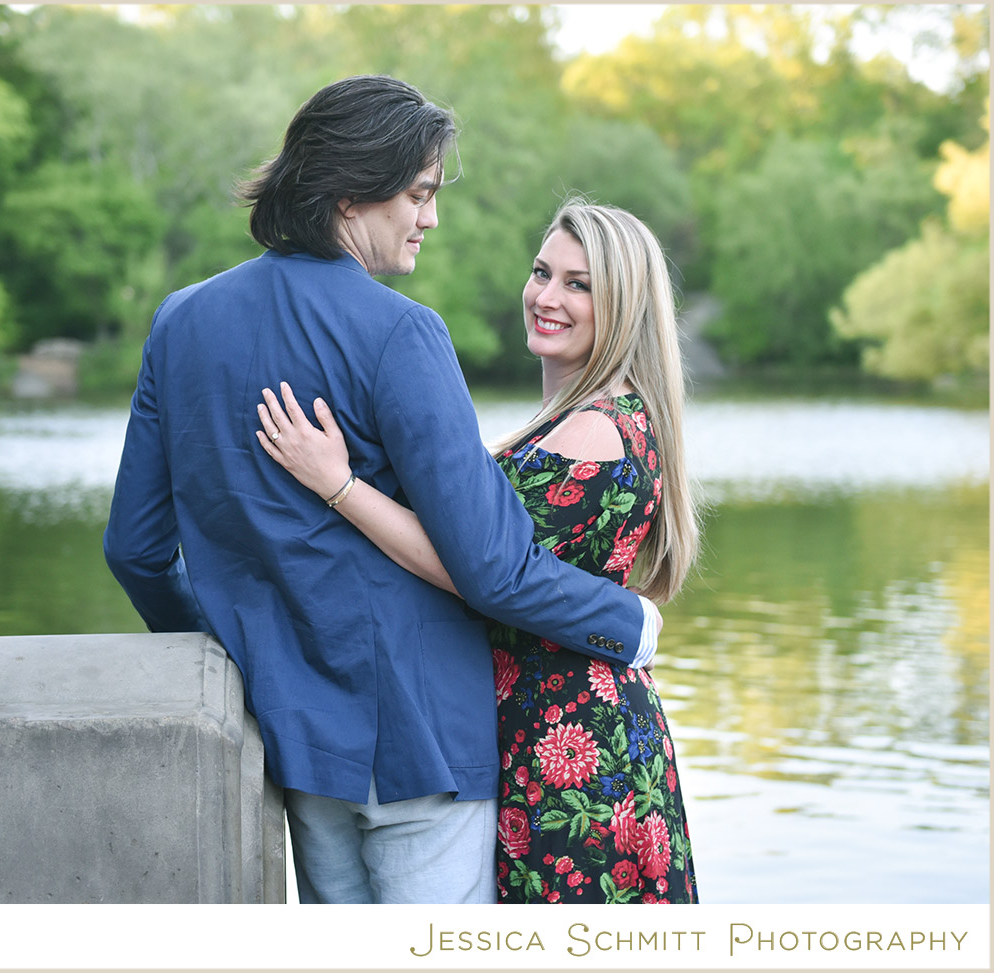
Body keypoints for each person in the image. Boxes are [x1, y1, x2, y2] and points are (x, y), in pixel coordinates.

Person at [103, 76, 661, 905]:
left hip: (299, 745)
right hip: (423, 742)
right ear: (351, 194)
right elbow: (494, 567)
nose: (430, 216)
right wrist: (631, 623)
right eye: (419, 193)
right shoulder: (402, 332)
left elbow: (137, 551)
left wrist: (245, 663)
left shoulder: (180, 321)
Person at [256, 197, 700, 903]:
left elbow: (480, 569)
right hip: (542, 724)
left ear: (625, 305)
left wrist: (336, 484)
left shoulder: (596, 432)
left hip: (571, 748)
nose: (546, 297)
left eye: (578, 284)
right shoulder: (577, 419)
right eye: (541, 272)